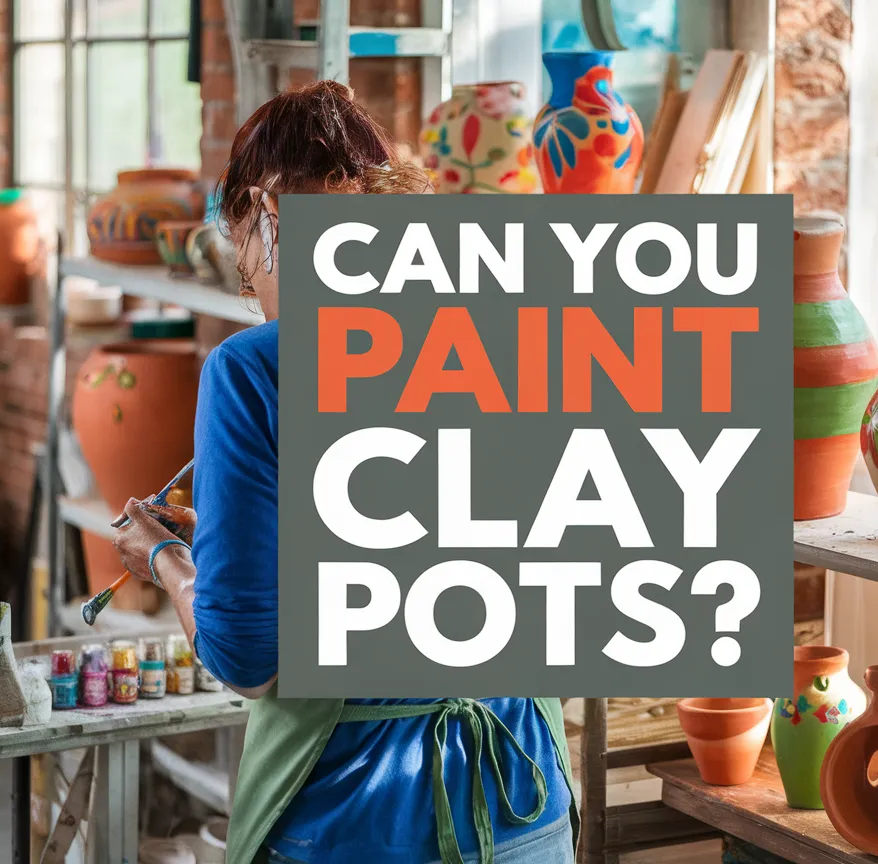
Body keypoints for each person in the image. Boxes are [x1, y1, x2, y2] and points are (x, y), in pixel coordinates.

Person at [112, 80, 577, 864]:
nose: (250, 289)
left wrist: (167, 559)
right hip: (525, 798)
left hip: (359, 822)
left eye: (243, 256)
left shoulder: (256, 370)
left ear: (263, 210)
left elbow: (247, 658)